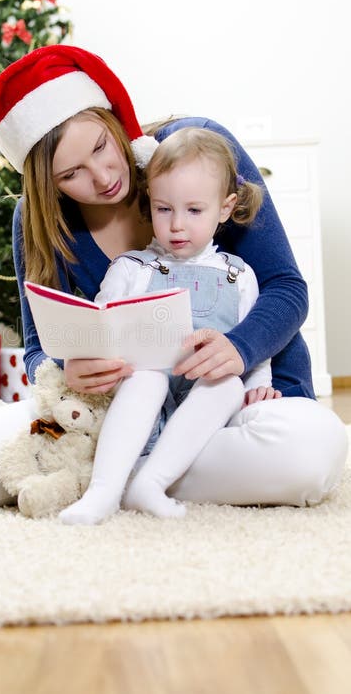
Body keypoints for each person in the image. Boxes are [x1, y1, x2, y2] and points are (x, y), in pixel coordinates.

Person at [0, 45, 347, 512]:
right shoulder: (38, 220)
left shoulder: (199, 151)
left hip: (235, 401)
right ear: (47, 183)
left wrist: (240, 348)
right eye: (71, 173)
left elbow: (286, 287)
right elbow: (37, 349)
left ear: (113, 117)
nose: (102, 176)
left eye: (100, 147)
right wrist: (67, 369)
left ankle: (114, 475)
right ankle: (131, 471)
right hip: (109, 414)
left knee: (311, 452)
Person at [59, 127, 277, 525]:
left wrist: (257, 380)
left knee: (227, 381)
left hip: (206, 401)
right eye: (164, 209)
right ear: (150, 205)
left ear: (225, 209)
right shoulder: (130, 267)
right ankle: (103, 490)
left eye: (194, 211)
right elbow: (99, 326)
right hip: (143, 391)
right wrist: (93, 357)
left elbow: (252, 341)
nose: (177, 225)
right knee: (147, 377)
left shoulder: (238, 274)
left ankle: (151, 483)